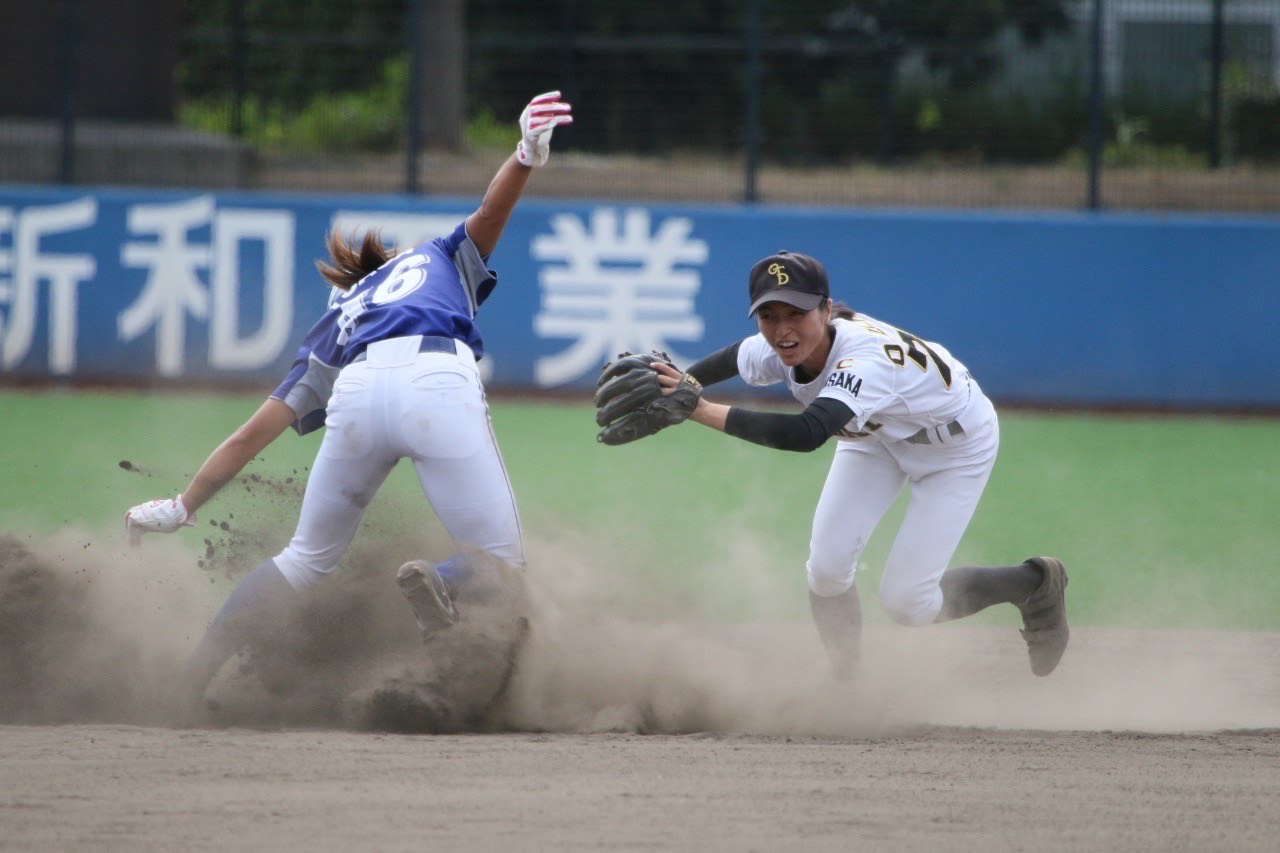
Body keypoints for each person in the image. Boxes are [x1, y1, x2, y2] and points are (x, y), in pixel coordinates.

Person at [124, 91, 573, 705]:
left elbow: (250, 434)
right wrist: (524, 154)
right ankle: (438, 581)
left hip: (356, 395)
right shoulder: (432, 258)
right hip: (437, 380)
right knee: (499, 568)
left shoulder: (340, 319)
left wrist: (183, 504)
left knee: (304, 560)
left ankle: (189, 678)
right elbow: (489, 215)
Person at [648, 250, 1068, 679]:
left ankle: (1034, 583)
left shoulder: (864, 362)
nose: (782, 329)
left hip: (954, 449)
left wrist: (696, 409)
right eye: (768, 315)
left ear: (826, 310)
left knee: (908, 604)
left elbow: (808, 434)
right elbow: (727, 361)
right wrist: (679, 383)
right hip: (875, 436)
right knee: (827, 571)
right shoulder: (779, 346)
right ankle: (847, 682)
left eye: (797, 312)